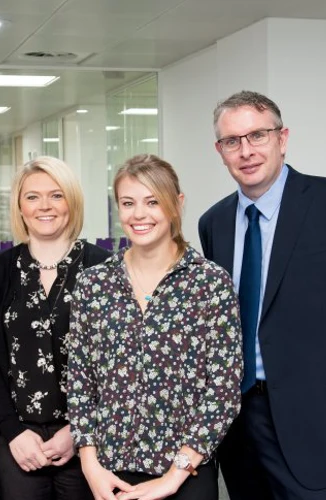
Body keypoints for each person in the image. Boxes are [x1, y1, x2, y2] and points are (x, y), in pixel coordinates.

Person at [199, 90, 326, 499]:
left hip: (315, 412)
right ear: (220, 151)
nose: (246, 151)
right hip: (239, 418)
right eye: (232, 141)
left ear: (282, 138)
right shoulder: (214, 222)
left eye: (258, 135)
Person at [68, 154, 243, 500]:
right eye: (128, 203)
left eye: (152, 202)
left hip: (186, 472)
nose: (139, 214)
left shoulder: (210, 283)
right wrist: (90, 465)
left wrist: (174, 475)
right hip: (110, 471)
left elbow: (224, 389)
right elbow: (79, 381)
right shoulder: (93, 284)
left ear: (176, 204)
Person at [0, 156, 110, 500]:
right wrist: (14, 433)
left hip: (89, 437)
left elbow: (115, 362)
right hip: (18, 439)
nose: (44, 206)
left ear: (72, 202)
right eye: (32, 197)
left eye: (56, 195)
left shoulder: (103, 267)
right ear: (19, 206)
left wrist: (78, 431)